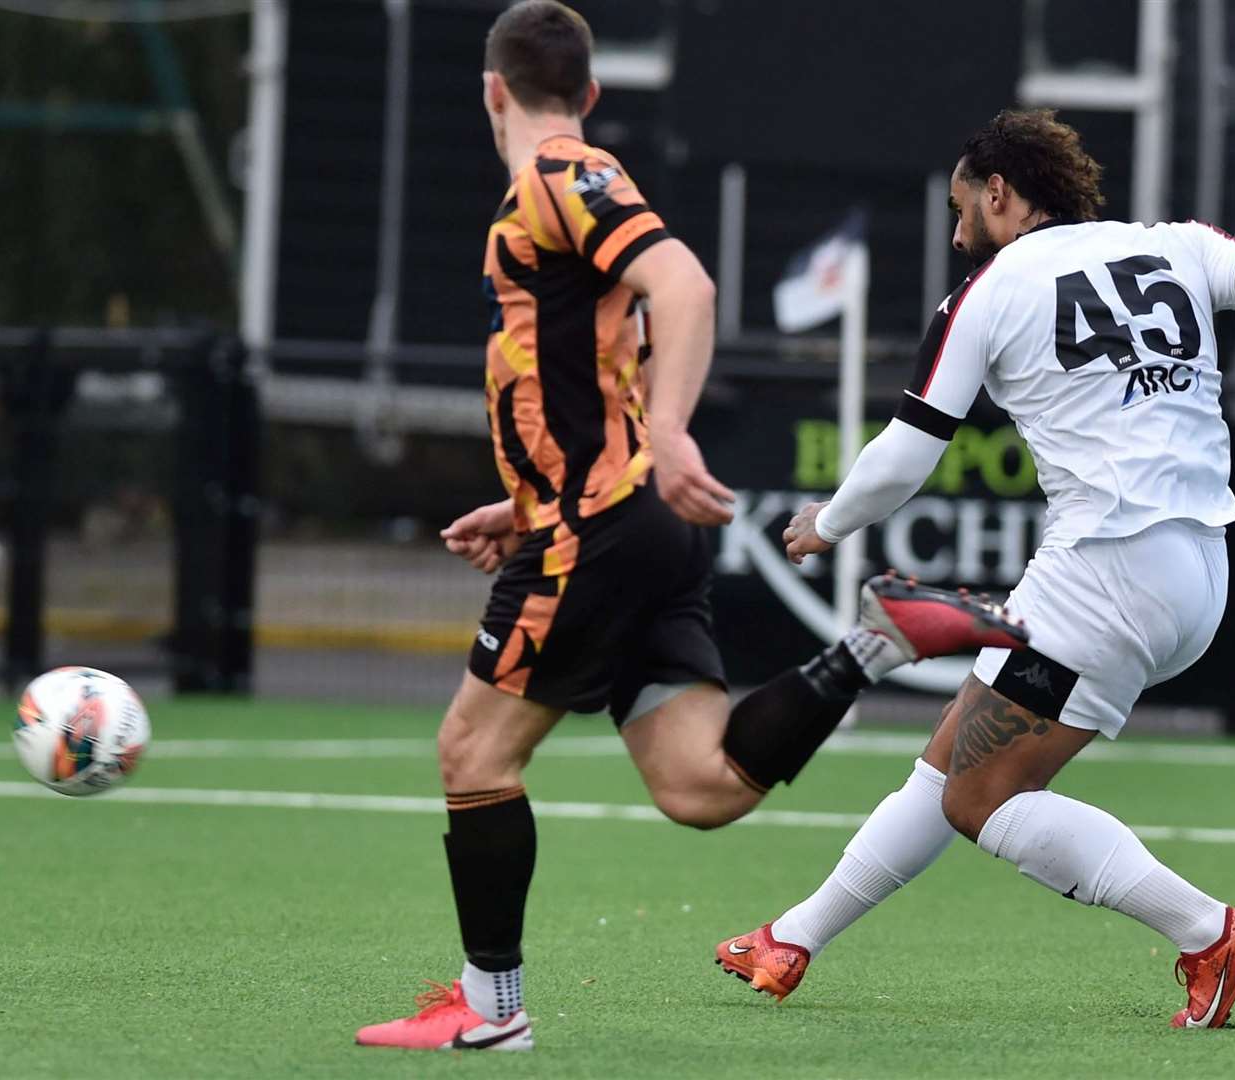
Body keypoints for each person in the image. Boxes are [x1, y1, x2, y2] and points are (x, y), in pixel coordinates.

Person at [354, 2, 1028, 1053]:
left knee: (470, 753)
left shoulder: (560, 177)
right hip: (626, 526)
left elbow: (684, 282)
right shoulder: (559, 188)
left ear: (495, 91)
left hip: (601, 528)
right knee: (700, 785)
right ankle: (871, 643)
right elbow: (579, 373)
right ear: (588, 88)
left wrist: (666, 433)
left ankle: (491, 1013)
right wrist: (530, 497)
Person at [715, 107, 1235, 1030]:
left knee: (980, 796)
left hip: (1104, 568)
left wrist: (824, 524)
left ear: (999, 192)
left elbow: (904, 456)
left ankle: (1206, 931)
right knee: (952, 756)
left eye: (963, 211)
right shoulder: (1175, 247)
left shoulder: (987, 292)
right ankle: (790, 940)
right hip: (1198, 571)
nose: (959, 235)